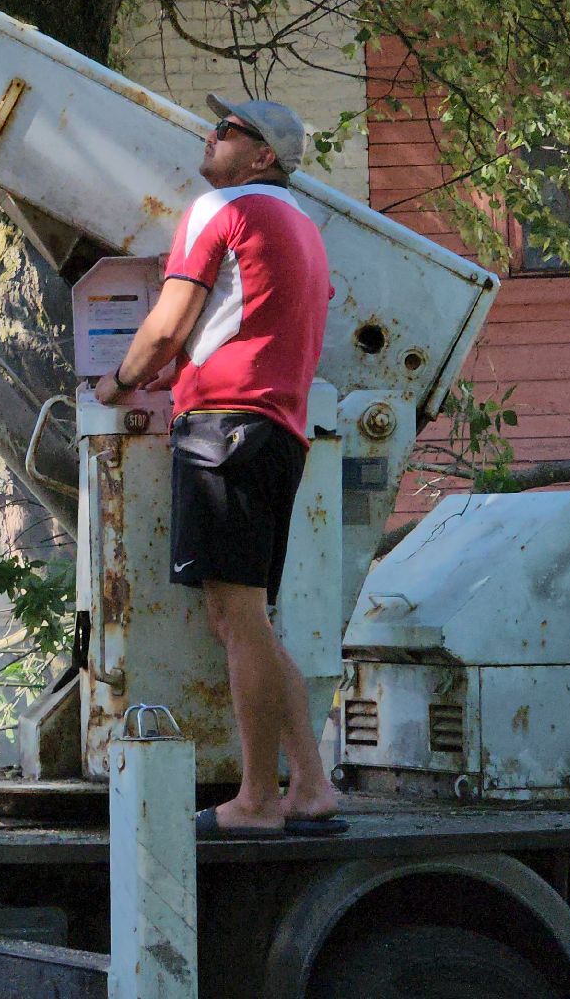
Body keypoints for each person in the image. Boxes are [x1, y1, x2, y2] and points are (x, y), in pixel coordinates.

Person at [92, 95, 343, 837]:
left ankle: (257, 799)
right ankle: (312, 787)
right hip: (276, 432)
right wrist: (189, 372)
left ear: (263, 155)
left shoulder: (221, 209)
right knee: (249, 620)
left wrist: (121, 382)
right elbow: (251, 324)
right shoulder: (303, 229)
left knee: (236, 618)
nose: (213, 136)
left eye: (228, 130)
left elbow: (168, 324)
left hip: (224, 434)